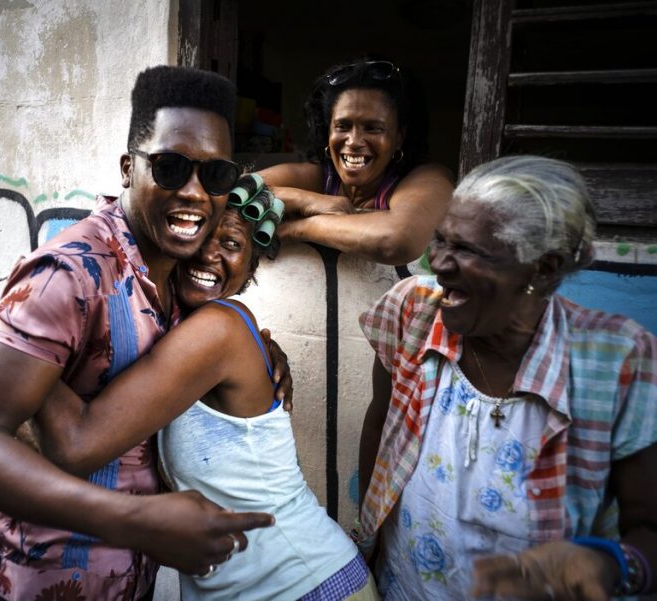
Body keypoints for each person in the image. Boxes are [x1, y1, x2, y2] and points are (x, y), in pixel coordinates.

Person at [0, 66, 284, 601]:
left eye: (215, 176)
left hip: (133, 577)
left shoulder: (174, 271)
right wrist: (132, 519)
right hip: (53, 579)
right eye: (171, 168)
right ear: (129, 168)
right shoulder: (72, 275)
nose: (195, 193)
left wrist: (258, 347)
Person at [32, 183, 379, 600]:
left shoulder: (219, 329)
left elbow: (75, 441)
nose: (208, 253)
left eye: (231, 243)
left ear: (250, 269)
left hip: (303, 583)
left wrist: (27, 327)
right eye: (201, 234)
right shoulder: (167, 326)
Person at [357, 155, 657, 600]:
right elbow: (381, 423)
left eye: (469, 250)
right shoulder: (413, 311)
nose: (436, 263)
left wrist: (609, 563)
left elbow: (649, 525)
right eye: (440, 239)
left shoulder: (616, 359)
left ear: (544, 268)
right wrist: (366, 541)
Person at [258, 55, 453, 269]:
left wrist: (299, 228)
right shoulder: (320, 177)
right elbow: (228, 194)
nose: (353, 142)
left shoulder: (428, 177)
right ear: (328, 133)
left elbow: (397, 240)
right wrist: (309, 201)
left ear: (399, 137)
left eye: (373, 128)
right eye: (342, 126)